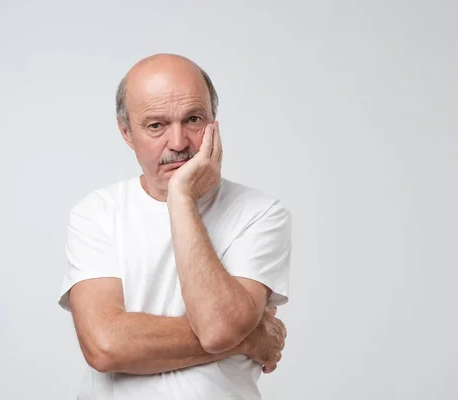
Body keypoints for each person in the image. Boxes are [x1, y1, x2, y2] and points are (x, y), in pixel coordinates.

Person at [58, 53, 292, 400]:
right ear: (126, 132)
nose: (179, 143)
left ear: (214, 122)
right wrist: (248, 338)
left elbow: (217, 329)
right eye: (156, 125)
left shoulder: (260, 213)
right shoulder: (96, 214)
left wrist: (180, 198)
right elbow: (105, 346)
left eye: (194, 119)